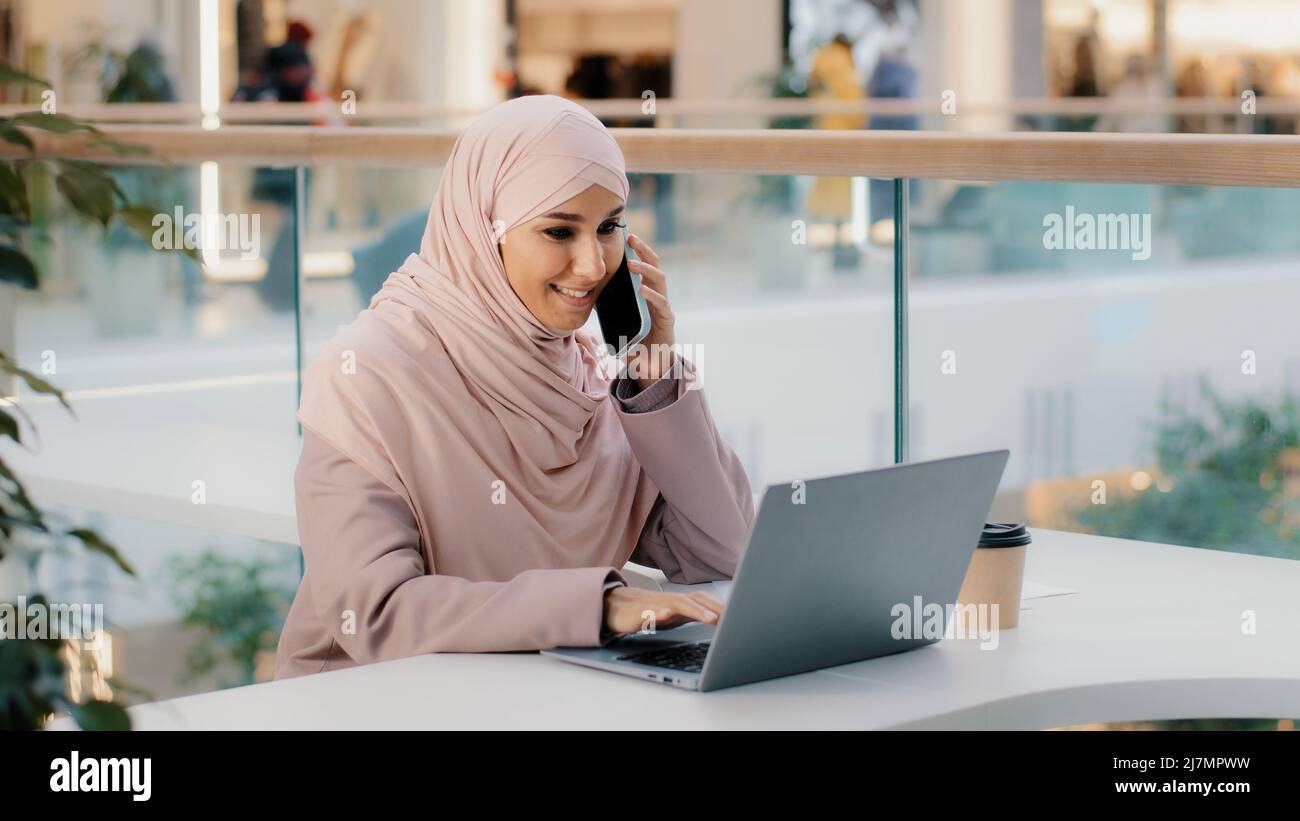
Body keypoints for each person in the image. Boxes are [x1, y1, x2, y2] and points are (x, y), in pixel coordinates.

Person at [275, 95, 755, 679]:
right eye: (559, 231)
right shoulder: (368, 372)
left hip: (539, 699)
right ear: (484, 231)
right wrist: (597, 606)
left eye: (609, 228)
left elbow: (722, 556)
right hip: (372, 704)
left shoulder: (596, 384)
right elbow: (375, 614)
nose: (591, 266)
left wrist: (653, 373)